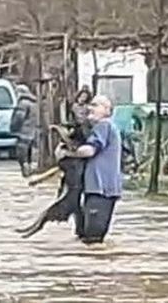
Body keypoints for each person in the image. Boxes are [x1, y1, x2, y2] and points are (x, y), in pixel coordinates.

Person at [56, 94, 122, 244]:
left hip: (100, 190)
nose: (90, 108)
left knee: (92, 241)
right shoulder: (106, 127)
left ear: (107, 110)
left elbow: (90, 150)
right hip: (100, 190)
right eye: (90, 105)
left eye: (95, 105)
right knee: (88, 240)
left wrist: (67, 153)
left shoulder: (104, 126)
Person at [12, 84, 37, 177]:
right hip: (33, 131)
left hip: (24, 131)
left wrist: (14, 127)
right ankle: (30, 167)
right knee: (29, 150)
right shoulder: (34, 102)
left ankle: (25, 168)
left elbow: (19, 117)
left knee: (21, 151)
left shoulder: (23, 103)